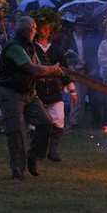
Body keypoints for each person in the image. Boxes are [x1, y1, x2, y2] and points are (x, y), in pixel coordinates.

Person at [0, 16, 63, 180]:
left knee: (46, 122)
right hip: (11, 93)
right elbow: (33, 70)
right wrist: (53, 70)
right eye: (34, 28)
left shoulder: (30, 47)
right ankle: (18, 169)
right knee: (17, 131)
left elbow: (39, 72)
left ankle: (33, 156)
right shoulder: (14, 47)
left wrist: (57, 77)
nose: (36, 31)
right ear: (28, 29)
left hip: (29, 93)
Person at [33, 16, 76, 161]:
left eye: (48, 28)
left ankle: (52, 152)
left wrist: (72, 91)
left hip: (53, 90)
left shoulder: (56, 51)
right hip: (36, 90)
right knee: (37, 122)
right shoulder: (31, 49)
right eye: (42, 27)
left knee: (58, 117)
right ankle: (36, 150)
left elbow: (64, 72)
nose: (45, 31)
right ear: (36, 29)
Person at [60, 17, 89, 128]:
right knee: (76, 95)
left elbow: (90, 53)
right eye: (79, 26)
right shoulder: (68, 39)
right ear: (75, 26)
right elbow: (63, 54)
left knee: (82, 96)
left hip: (84, 69)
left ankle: (78, 120)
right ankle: (73, 121)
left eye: (82, 26)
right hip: (73, 70)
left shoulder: (86, 39)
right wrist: (70, 64)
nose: (80, 28)